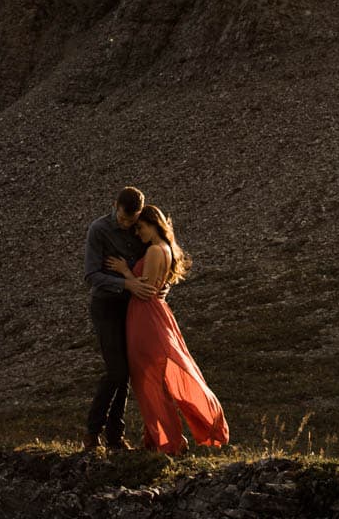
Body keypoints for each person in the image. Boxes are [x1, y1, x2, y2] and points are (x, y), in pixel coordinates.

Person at [105, 204, 229, 455]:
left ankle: (169, 442)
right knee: (152, 381)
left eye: (141, 228)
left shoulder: (153, 251)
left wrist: (124, 271)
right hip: (153, 315)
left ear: (153, 225)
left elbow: (146, 288)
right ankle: (158, 439)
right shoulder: (168, 249)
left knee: (148, 380)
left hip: (145, 317)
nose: (138, 233)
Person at [82, 185, 156, 451]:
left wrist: (158, 285)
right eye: (123, 219)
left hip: (132, 308)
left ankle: (115, 437)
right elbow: (91, 276)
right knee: (117, 371)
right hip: (106, 306)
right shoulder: (99, 230)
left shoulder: (141, 228)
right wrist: (127, 284)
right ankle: (93, 432)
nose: (126, 225)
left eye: (132, 221)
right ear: (115, 206)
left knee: (127, 373)